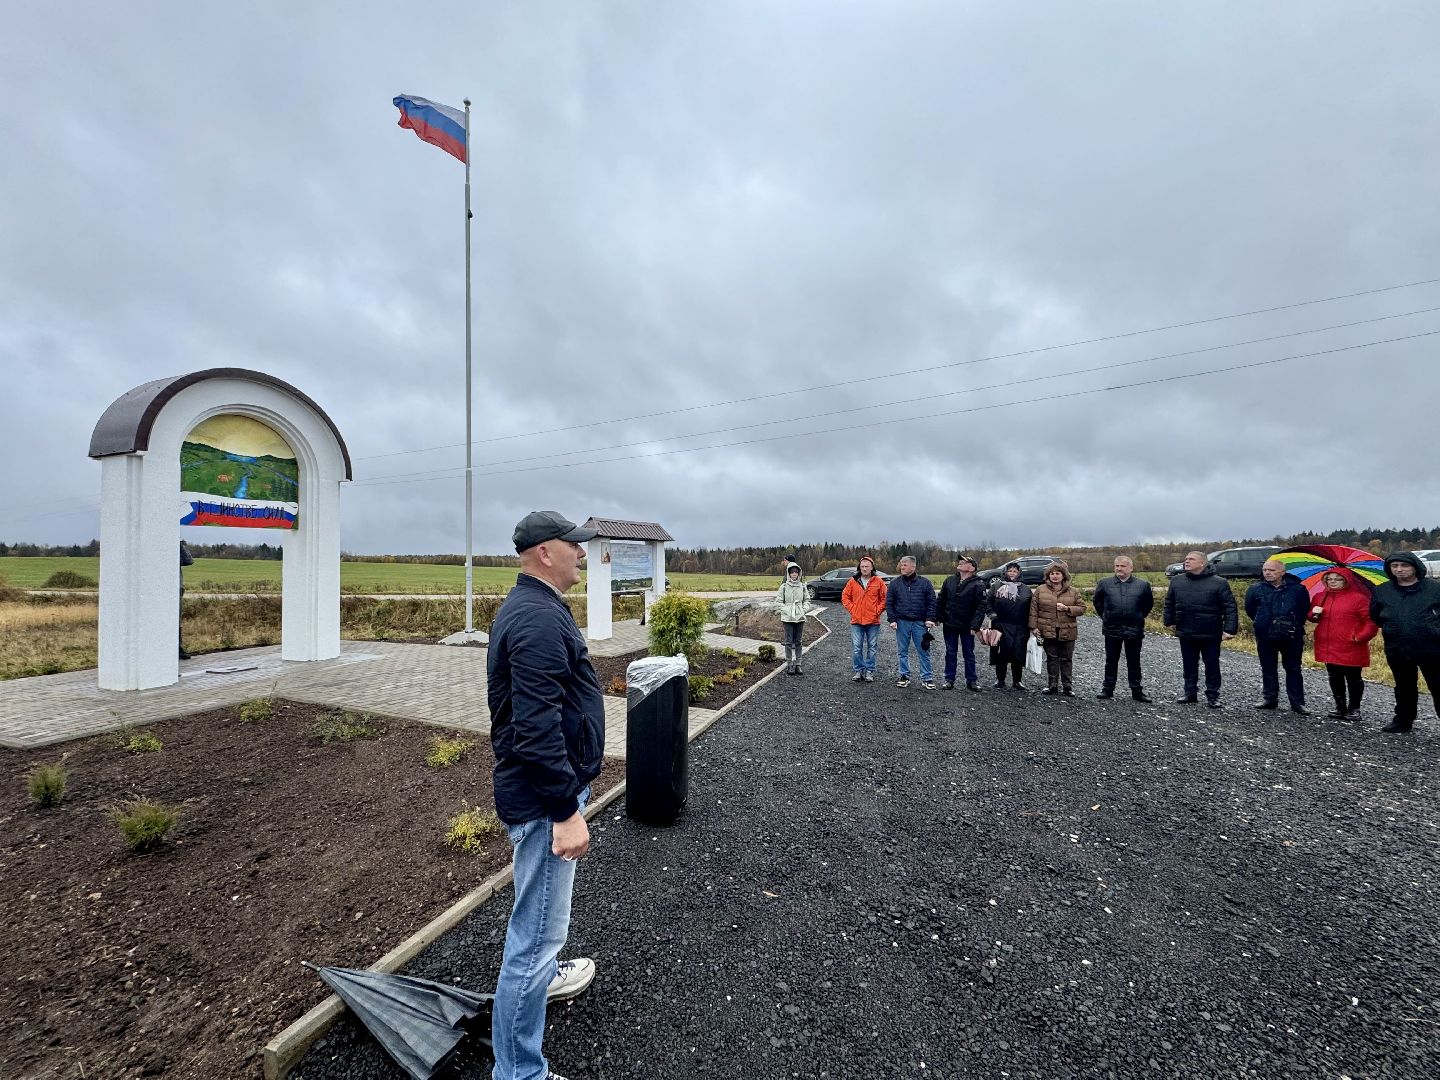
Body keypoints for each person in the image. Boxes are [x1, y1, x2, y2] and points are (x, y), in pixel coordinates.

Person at [487, 510, 604, 1080]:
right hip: (542, 803)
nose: (582, 554)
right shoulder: (535, 620)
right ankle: (518, 1073)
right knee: (533, 940)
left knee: (536, 928)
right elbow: (534, 728)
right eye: (573, 546)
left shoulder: (536, 608)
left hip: (541, 796)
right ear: (544, 554)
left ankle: (546, 972)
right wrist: (564, 810)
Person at [1368, 551, 1440, 734]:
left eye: (1404, 565)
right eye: (1394, 566)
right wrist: (1392, 628)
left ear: (1415, 567)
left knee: (1438, 686)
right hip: (1397, 647)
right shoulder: (1382, 591)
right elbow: (1376, 616)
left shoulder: (1434, 589)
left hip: (1432, 647)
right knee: (1404, 686)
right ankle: (1403, 721)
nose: (1399, 569)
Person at [1163, 550, 1238, 708]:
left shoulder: (1219, 583)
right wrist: (1169, 621)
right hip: (1186, 630)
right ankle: (1190, 693)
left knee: (1212, 665)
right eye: (1186, 558)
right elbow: (1169, 602)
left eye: (1191, 559)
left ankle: (1212, 696)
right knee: (1189, 664)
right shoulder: (1177, 581)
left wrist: (1229, 629)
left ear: (1202, 563)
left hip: (1210, 631)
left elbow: (1229, 606)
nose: (1187, 561)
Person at [1244, 559, 1313, 715]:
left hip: (1291, 635)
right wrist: (1263, 622)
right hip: (1265, 634)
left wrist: (1290, 623)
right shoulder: (1255, 589)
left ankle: (1297, 702)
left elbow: (1303, 610)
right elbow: (1250, 609)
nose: (1267, 573)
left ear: (1282, 572)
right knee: (1268, 667)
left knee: (1293, 668)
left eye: (1272, 570)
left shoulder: (1298, 589)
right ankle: (1269, 698)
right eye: (1265, 570)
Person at [1309, 568, 1378, 721]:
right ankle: (1340, 707)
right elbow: (1312, 618)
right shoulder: (1320, 597)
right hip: (1328, 644)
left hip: (1351, 645)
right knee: (1334, 676)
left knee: (1353, 678)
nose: (1332, 582)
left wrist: (1359, 637)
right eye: (1329, 579)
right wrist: (1314, 614)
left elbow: (1371, 622)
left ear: (1346, 580)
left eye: (1337, 579)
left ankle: (1354, 709)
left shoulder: (1359, 598)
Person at [1091, 555, 1154, 702]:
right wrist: (1107, 616)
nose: (1119, 568)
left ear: (1131, 568)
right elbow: (1098, 603)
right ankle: (1108, 689)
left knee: (1134, 661)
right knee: (1111, 660)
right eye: (1117, 566)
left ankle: (1137, 691)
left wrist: (1137, 617)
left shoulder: (1143, 585)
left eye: (1123, 566)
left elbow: (1147, 605)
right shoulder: (1104, 583)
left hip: (1134, 629)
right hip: (1112, 628)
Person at [1029, 561, 1085, 696]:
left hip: (1067, 630)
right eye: (1052, 574)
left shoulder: (1073, 591)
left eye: (1057, 573)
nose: (1055, 576)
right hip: (1047, 630)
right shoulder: (1040, 590)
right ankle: (1052, 685)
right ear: (1048, 576)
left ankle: (1067, 687)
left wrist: (1068, 609)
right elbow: (1033, 609)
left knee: (1066, 659)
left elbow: (1082, 608)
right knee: (1052, 658)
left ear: (1063, 576)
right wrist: (1033, 627)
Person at [936, 554, 987, 690]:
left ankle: (971, 680)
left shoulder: (978, 584)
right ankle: (949, 679)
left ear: (972, 568)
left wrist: (975, 626)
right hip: (950, 624)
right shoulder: (950, 581)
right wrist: (937, 617)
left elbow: (981, 607)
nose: (960, 562)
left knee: (968, 653)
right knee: (950, 652)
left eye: (964, 562)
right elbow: (941, 600)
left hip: (967, 626)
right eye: (960, 561)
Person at [886, 555, 937, 689]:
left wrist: (930, 618)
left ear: (913, 567)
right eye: (901, 565)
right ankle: (904, 675)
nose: (902, 567)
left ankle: (927, 678)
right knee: (902, 651)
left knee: (924, 650)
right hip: (902, 623)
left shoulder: (925, 583)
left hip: (920, 623)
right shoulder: (895, 584)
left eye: (905, 565)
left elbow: (932, 602)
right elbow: (889, 603)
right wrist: (892, 619)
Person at [983, 562, 1032, 690]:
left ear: (1019, 573)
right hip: (1000, 625)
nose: (1012, 573)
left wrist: (1031, 624)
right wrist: (992, 614)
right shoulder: (996, 586)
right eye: (1010, 571)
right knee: (1001, 654)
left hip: (1020, 626)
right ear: (1005, 572)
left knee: (1018, 653)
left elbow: (1031, 608)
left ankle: (1017, 681)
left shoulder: (1025, 589)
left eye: (1015, 571)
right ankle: (1000, 680)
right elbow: (987, 602)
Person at [841, 554, 888, 682]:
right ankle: (858, 670)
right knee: (857, 647)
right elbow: (845, 596)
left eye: (867, 566)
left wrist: (877, 611)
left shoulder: (878, 581)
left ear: (872, 567)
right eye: (862, 566)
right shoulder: (853, 581)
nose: (865, 568)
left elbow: (885, 598)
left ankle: (869, 671)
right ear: (859, 568)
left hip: (873, 621)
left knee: (872, 647)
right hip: (857, 621)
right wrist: (853, 609)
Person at [776, 560, 809, 675]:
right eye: (792, 572)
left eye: (796, 572)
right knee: (789, 642)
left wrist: (803, 610)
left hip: (799, 617)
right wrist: (787, 611)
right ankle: (789, 664)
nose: (794, 574)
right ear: (788, 574)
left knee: (799, 642)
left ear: (799, 574)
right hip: (788, 618)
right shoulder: (784, 587)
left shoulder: (803, 587)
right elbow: (779, 602)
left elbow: (807, 600)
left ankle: (798, 664)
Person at [178, 540, 194, 660]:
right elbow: (189, 560)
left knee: (176, 620)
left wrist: (179, 545)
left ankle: (178, 648)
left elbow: (188, 560)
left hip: (177, 588)